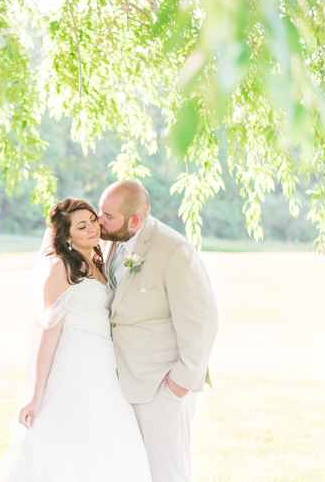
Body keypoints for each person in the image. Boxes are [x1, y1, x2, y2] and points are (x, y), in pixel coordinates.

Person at [0, 197, 152, 482]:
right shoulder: (62, 270)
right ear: (67, 236)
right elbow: (49, 335)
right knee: (70, 437)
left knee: (111, 435)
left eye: (93, 220)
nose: (93, 228)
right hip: (76, 362)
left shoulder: (99, 262)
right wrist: (35, 397)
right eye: (82, 226)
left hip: (105, 363)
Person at [98, 180, 219, 482]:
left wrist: (179, 383)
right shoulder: (113, 240)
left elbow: (202, 320)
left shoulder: (174, 250)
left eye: (108, 216)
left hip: (161, 386)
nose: (100, 220)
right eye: (101, 211)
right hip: (124, 382)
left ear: (134, 220)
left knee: (168, 473)